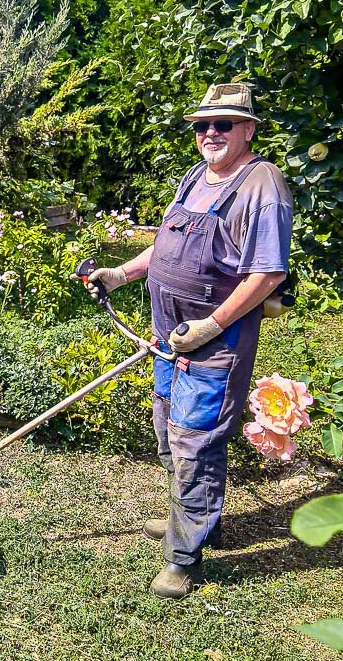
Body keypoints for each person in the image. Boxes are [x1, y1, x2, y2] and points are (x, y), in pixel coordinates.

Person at [87, 83, 293, 599]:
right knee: (168, 430)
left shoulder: (262, 185)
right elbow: (164, 246)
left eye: (223, 124)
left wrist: (212, 325)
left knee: (196, 441)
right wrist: (120, 274)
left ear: (248, 129)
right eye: (202, 125)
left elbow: (267, 275)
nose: (210, 133)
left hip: (213, 340)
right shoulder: (195, 176)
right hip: (168, 334)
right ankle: (199, 519)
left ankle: (184, 558)